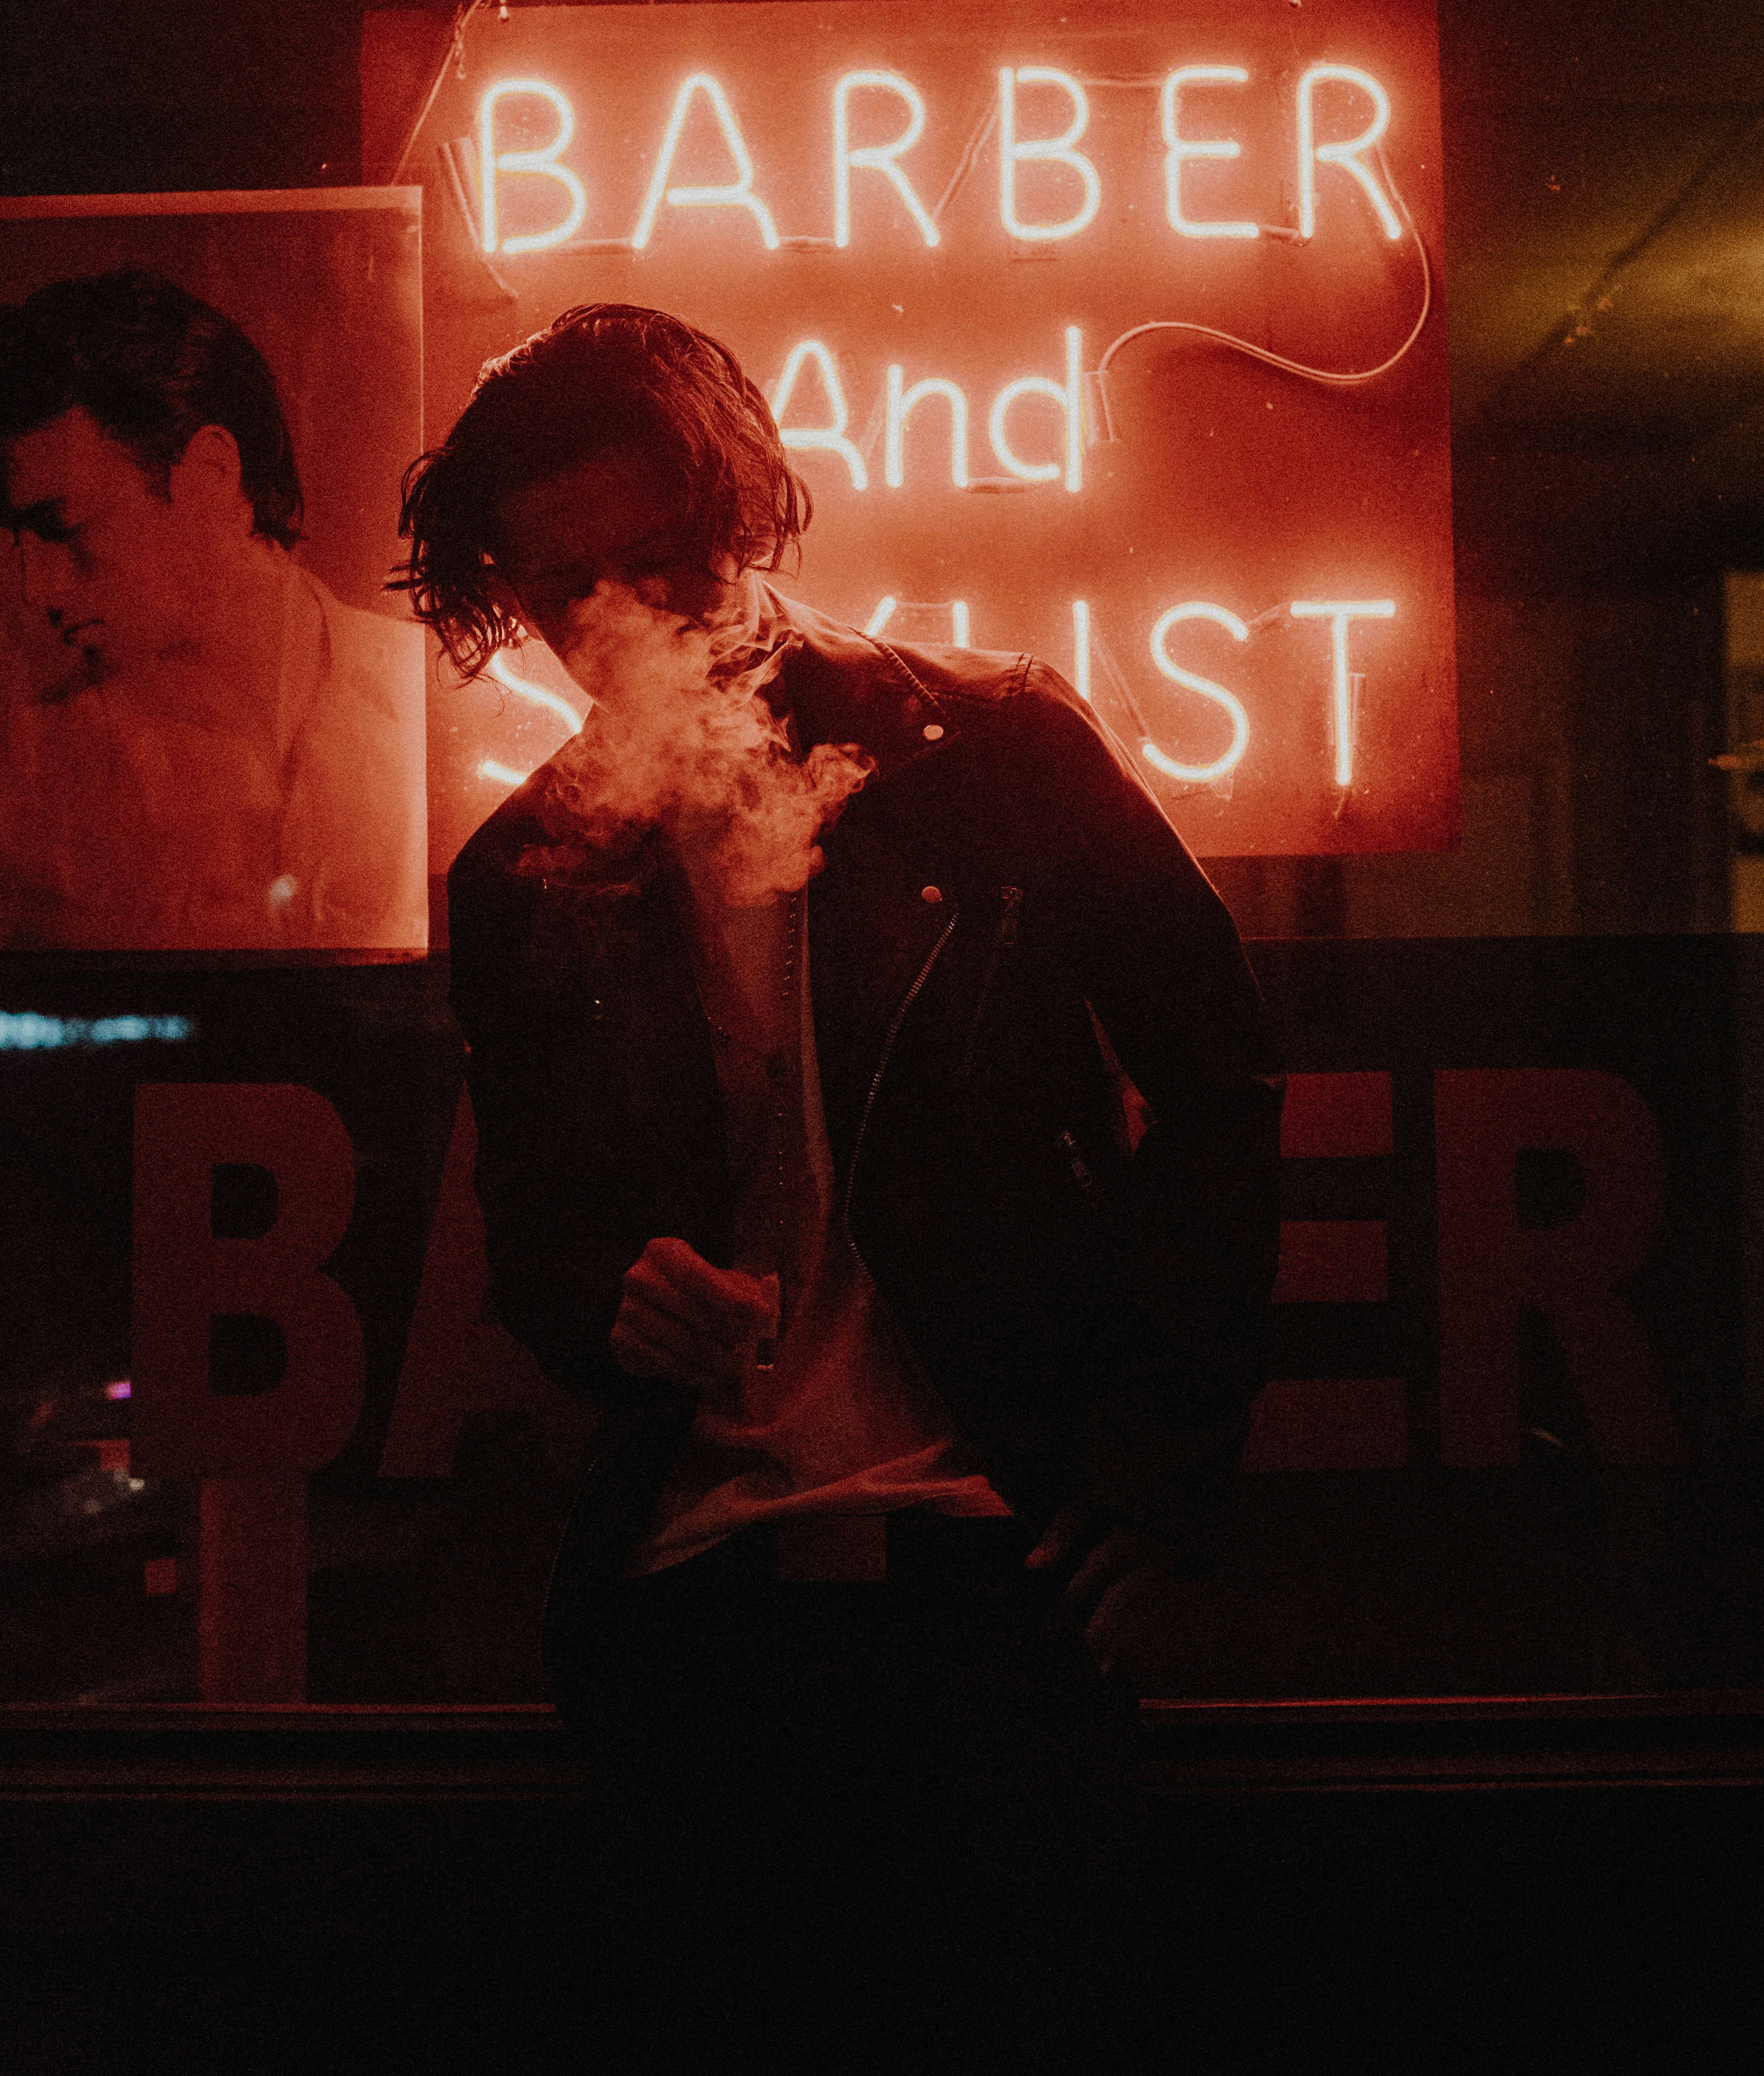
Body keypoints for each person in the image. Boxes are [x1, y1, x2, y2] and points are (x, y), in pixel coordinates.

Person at [396, 301, 1283, 2069]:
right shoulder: (523, 878)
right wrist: (612, 1297)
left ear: (742, 510)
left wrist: (1156, 1463)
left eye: (656, 559)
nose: (617, 621)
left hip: (988, 1575)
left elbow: (1218, 1080)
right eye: (562, 588)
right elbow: (539, 1249)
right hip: (698, 1613)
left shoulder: (994, 751)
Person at [0, 267, 425, 949]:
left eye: (62, 526)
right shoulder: (31, 782)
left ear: (208, 475)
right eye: (17, 540)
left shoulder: (440, 696)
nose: (35, 588)